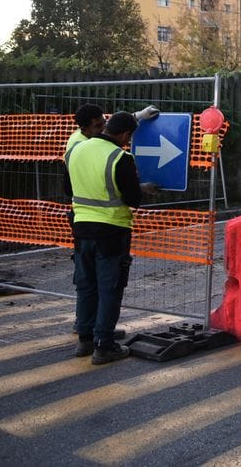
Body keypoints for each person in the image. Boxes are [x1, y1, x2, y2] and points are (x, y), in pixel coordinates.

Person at [65, 111, 144, 364]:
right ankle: (105, 345)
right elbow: (134, 199)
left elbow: (68, 189)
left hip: (80, 228)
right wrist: (143, 189)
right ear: (126, 135)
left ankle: (85, 341)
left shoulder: (77, 149)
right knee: (110, 288)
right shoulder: (121, 157)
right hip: (112, 231)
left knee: (86, 285)